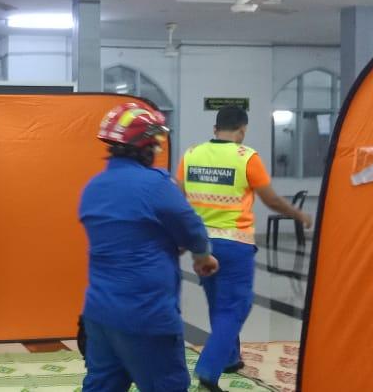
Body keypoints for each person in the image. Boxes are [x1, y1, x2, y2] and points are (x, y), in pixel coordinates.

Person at [79, 103, 219, 391]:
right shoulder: (155, 184)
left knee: (102, 386)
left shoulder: (93, 187)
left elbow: (127, 235)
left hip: (99, 313)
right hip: (146, 313)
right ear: (147, 146)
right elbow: (190, 226)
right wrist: (202, 256)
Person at [178, 106, 313, 391]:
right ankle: (209, 368)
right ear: (242, 130)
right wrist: (299, 215)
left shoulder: (190, 155)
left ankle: (229, 357)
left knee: (218, 304)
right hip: (235, 244)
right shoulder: (246, 157)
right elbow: (271, 200)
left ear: (215, 129)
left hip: (202, 245)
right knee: (236, 306)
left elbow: (178, 197)